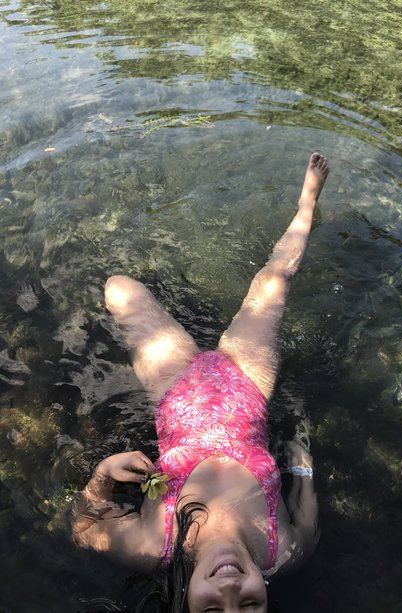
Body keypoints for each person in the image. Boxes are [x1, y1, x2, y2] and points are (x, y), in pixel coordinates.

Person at [72, 152, 330, 613]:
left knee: (118, 288)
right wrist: (305, 474)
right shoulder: (282, 553)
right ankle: (307, 203)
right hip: (246, 384)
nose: (230, 589)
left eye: (212, 611)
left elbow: (83, 528)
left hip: (175, 389)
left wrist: (103, 475)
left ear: (183, 601)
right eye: (248, 607)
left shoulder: (153, 545)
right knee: (273, 282)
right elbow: (308, 529)